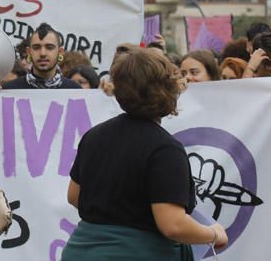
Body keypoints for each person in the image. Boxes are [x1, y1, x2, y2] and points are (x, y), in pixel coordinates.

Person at [63, 48, 228, 259]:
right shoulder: (165, 149)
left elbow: (74, 196)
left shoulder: (94, 135)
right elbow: (172, 224)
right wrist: (214, 233)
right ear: (166, 90)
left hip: (80, 252)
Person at [3, 23, 82, 89]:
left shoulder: (74, 90)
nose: (42, 53)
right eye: (36, 48)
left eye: (49, 47)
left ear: (60, 52)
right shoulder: (10, 90)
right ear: (29, 52)